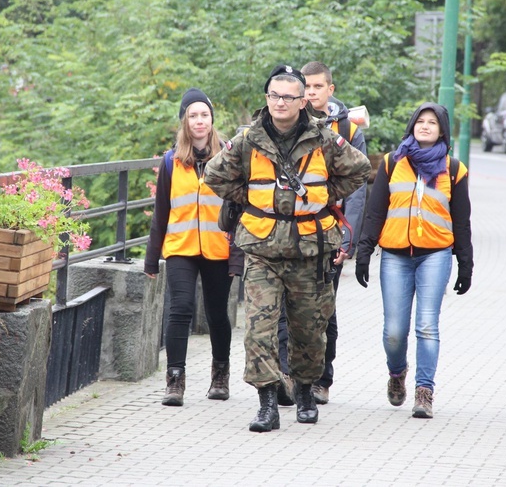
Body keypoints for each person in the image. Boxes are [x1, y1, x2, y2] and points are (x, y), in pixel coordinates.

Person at [205, 65, 371, 432]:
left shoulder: (324, 138)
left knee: (310, 330)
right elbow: (214, 174)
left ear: (301, 101)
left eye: (288, 96)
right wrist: (251, 199)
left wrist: (324, 198)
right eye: (274, 95)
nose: (280, 102)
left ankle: (307, 391)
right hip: (262, 247)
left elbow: (359, 171)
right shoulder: (248, 139)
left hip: (311, 249)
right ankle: (267, 403)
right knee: (259, 329)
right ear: (267, 99)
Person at [355, 102, 473, 419]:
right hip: (394, 255)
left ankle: (425, 391)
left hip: (435, 254)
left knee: (427, 326)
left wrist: (466, 263)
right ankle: (397, 373)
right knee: (394, 332)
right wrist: (363, 251)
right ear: (411, 126)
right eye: (420, 121)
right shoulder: (393, 163)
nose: (424, 126)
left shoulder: (453, 169)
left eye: (432, 122)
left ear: (442, 130)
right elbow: (376, 210)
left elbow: (461, 221)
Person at [275, 61, 368, 407]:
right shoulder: (287, 124)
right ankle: (287, 375)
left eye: (317, 87)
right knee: (287, 307)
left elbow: (358, 188)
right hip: (289, 234)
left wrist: (349, 238)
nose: (311, 93)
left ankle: (321, 379)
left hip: (329, 232)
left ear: (330, 89)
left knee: (323, 310)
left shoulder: (347, 127)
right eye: (306, 87)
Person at [144, 87, 243, 407]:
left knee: (217, 313)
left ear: (212, 120)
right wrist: (150, 260)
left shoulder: (229, 156)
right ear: (184, 122)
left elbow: (241, 209)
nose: (199, 121)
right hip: (180, 247)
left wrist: (237, 256)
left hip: (218, 247)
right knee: (180, 309)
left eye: (205, 115)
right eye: (193, 116)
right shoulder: (172, 161)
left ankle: (220, 374)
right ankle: (175, 380)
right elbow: (161, 212)